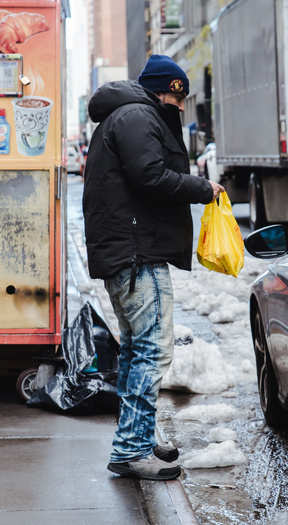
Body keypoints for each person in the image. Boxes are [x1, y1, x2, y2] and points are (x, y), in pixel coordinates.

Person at [82, 55, 224, 481]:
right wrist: (204, 188)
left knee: (135, 349)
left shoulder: (125, 116)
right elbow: (151, 176)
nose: (180, 110)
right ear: (165, 91)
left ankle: (139, 437)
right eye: (177, 100)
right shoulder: (137, 117)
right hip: (135, 253)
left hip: (128, 249)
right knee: (151, 350)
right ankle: (130, 450)